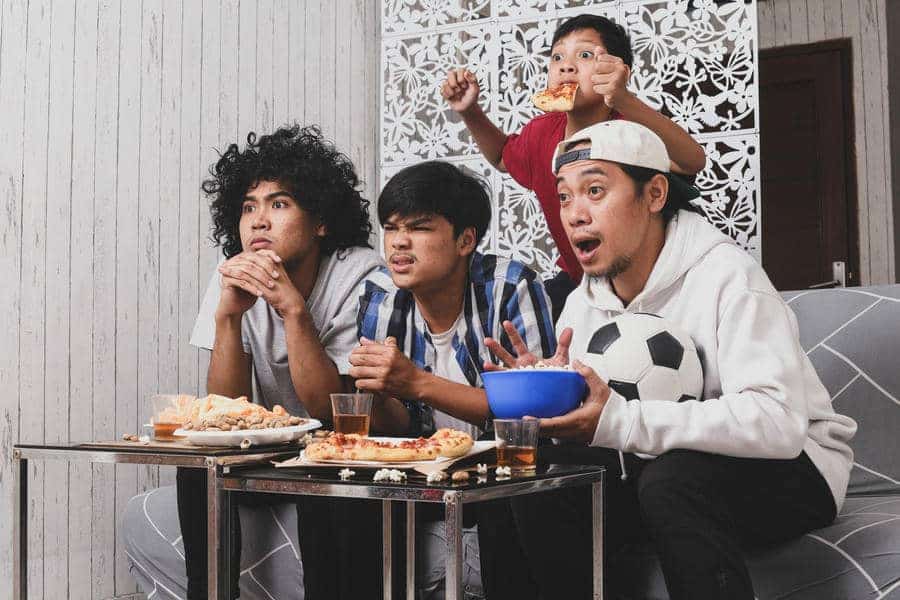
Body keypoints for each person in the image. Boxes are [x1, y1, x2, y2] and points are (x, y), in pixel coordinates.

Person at [479, 120, 857, 599]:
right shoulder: (584, 302)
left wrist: (626, 420)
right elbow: (602, 422)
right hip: (651, 466)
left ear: (655, 194)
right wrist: (546, 392)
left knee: (673, 481)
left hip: (797, 465)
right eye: (565, 196)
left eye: (595, 190)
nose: (574, 214)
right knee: (520, 481)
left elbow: (778, 422)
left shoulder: (728, 276)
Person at [296, 160, 557, 600]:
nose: (398, 242)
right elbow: (400, 428)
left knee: (506, 500)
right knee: (332, 492)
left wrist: (416, 382)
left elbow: (535, 417)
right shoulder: (382, 293)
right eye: (391, 227)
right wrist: (375, 391)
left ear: (465, 239)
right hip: (419, 468)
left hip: (504, 465)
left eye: (419, 228)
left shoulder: (509, 287)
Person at [178, 124, 408, 599]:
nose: (259, 221)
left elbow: (335, 412)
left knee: (326, 468)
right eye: (248, 207)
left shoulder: (361, 275)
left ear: (320, 220)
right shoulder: (234, 273)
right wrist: (228, 319)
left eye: (278, 204)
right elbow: (227, 409)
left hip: (348, 446)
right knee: (197, 463)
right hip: (278, 448)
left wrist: (293, 311)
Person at [441, 13, 706, 314]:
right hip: (584, 281)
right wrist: (470, 110)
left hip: (656, 278)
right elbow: (503, 157)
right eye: (557, 57)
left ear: (618, 69)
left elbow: (692, 160)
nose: (567, 65)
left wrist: (622, 98)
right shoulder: (542, 133)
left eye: (585, 55)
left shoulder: (632, 129)